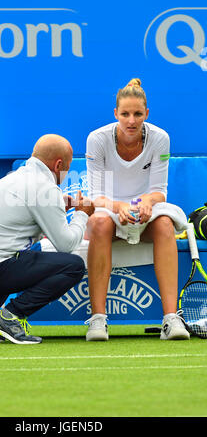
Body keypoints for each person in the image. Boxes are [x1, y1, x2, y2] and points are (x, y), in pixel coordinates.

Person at [0, 134, 95, 344]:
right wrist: (82, 213)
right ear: (58, 164)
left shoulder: (16, 178)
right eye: (67, 168)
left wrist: (60, 203)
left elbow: (27, 211)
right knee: (73, 266)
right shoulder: (44, 188)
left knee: (24, 254)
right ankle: (10, 317)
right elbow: (67, 244)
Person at [84, 78, 190, 341]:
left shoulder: (160, 138)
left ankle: (170, 318)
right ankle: (98, 320)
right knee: (99, 223)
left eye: (138, 114)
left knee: (165, 223)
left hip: (145, 212)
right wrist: (118, 207)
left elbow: (159, 190)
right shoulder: (97, 139)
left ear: (147, 114)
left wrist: (146, 202)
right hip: (108, 211)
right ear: (115, 114)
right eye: (125, 114)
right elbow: (96, 196)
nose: (131, 121)